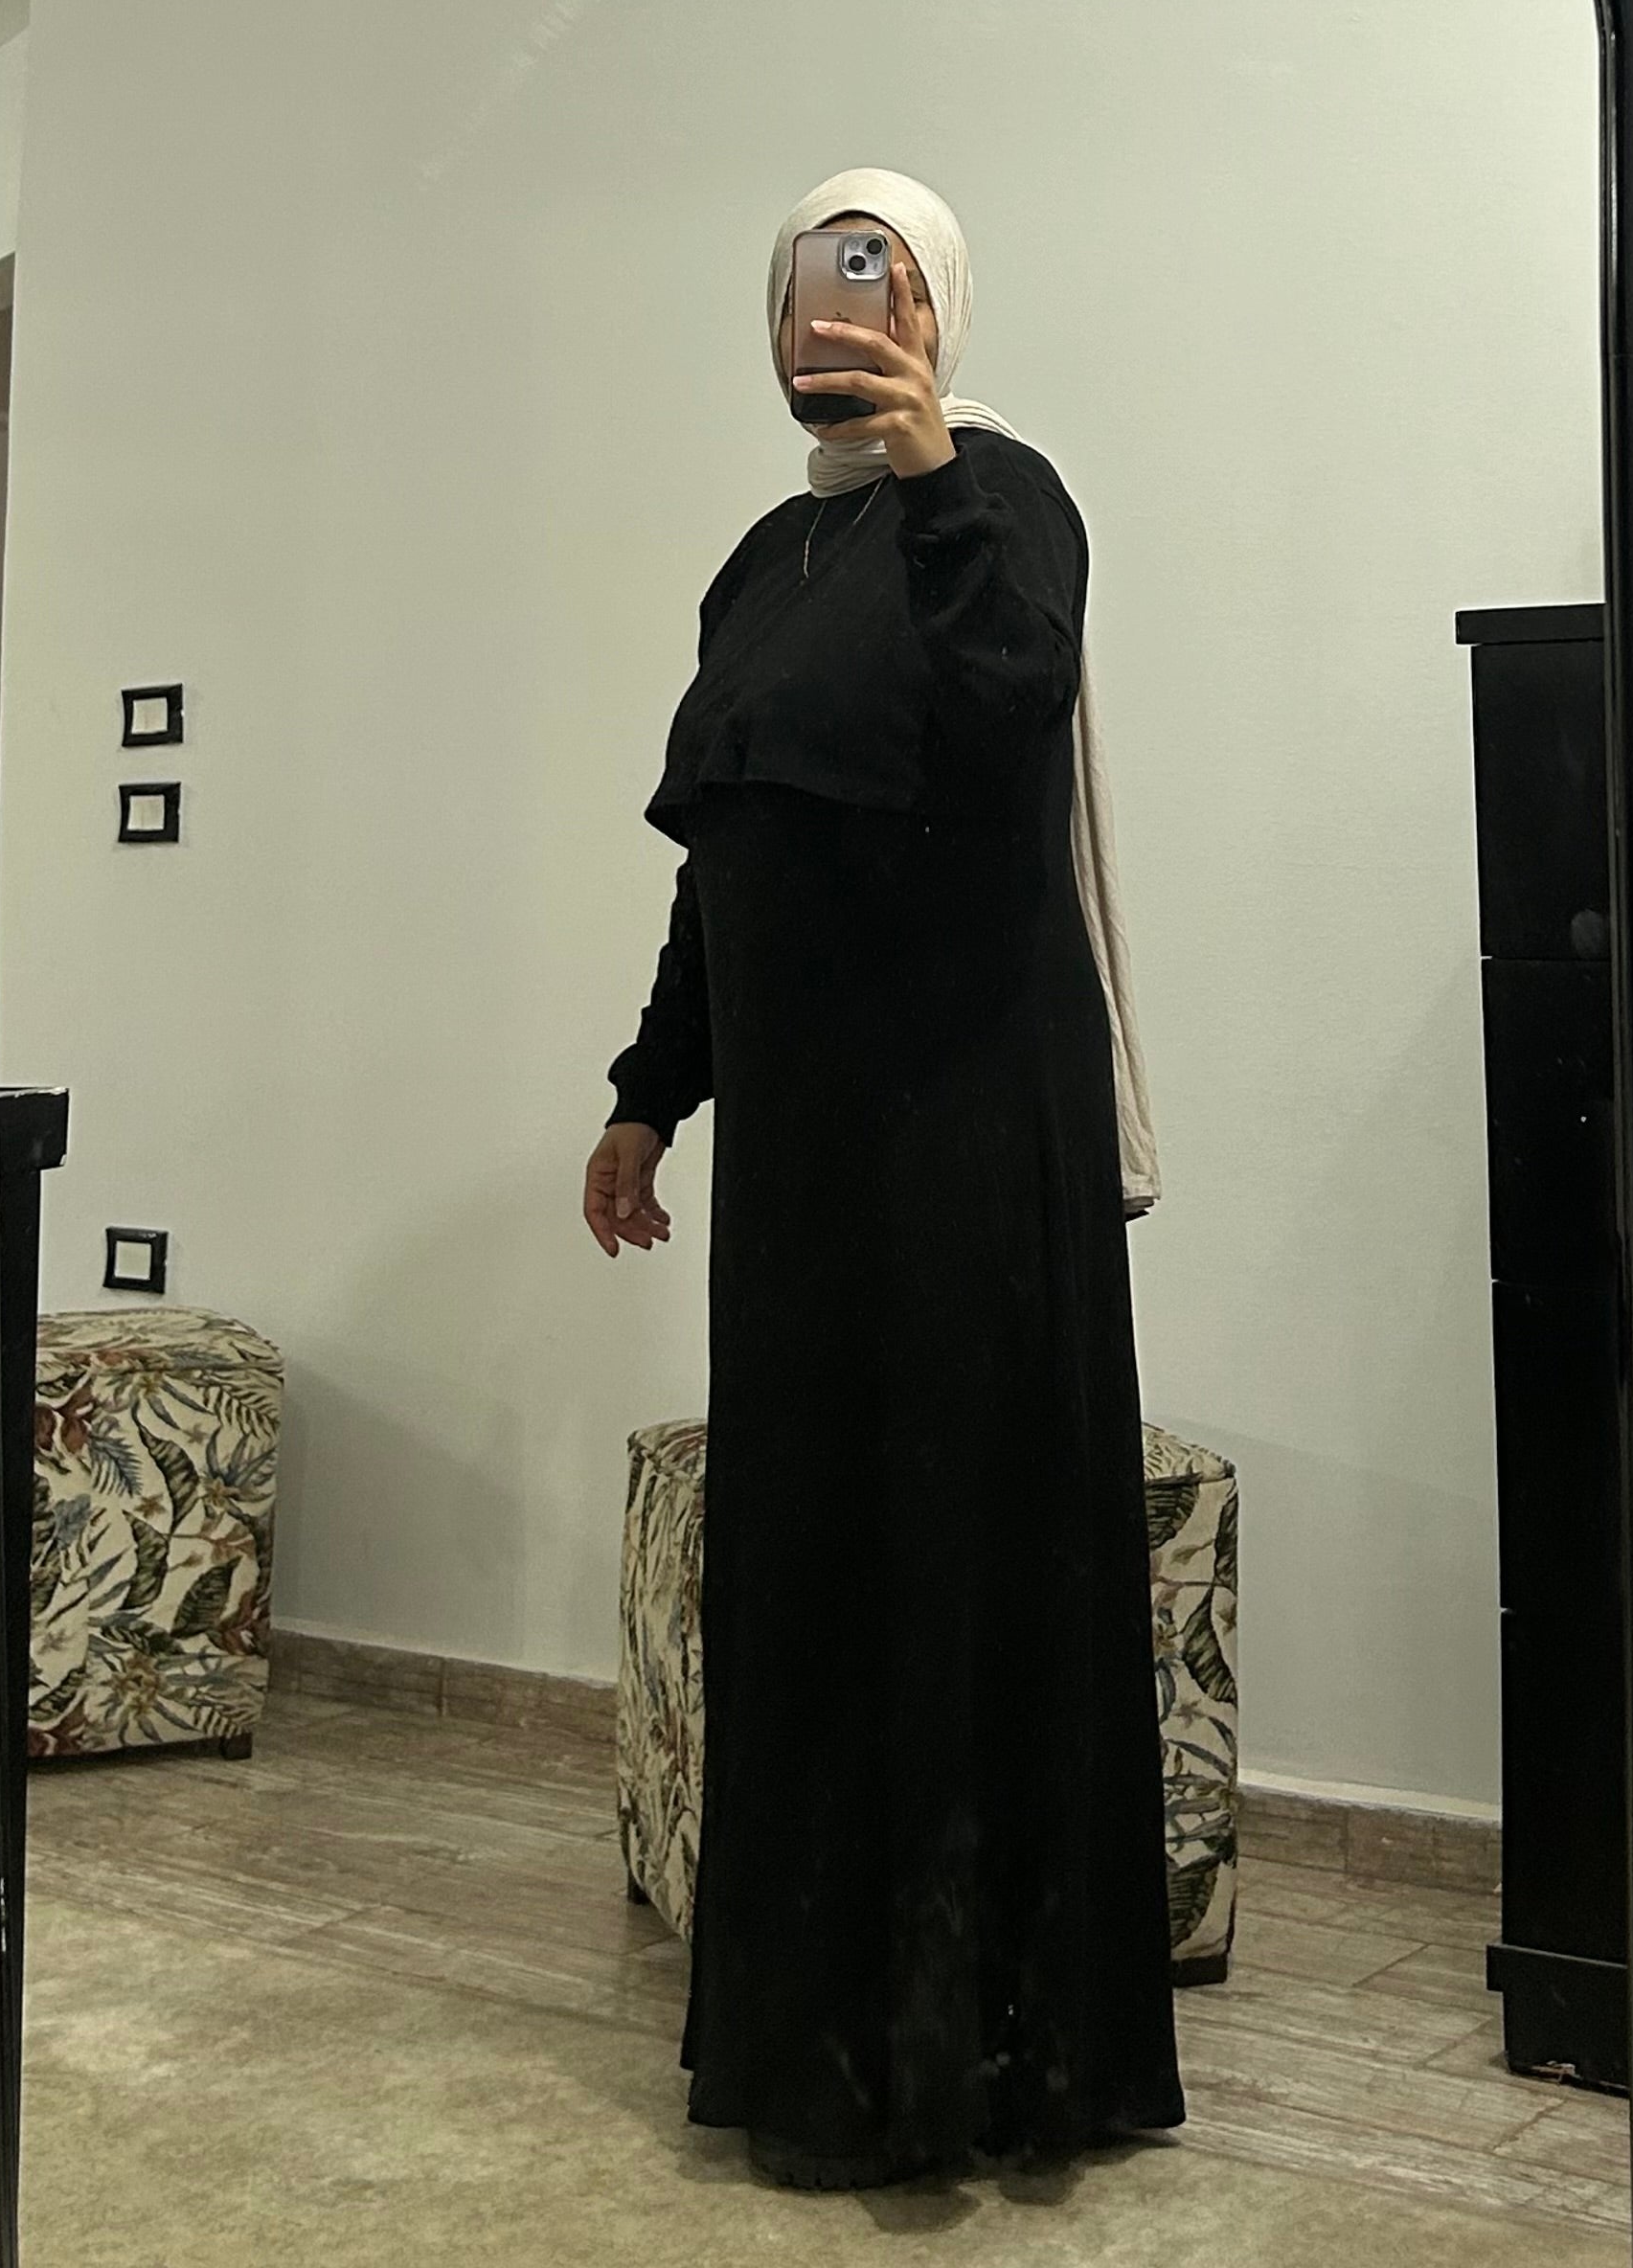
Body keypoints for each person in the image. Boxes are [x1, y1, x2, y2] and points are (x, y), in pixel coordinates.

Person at [583, 165, 1184, 2189]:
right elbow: (724, 851)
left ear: (938, 310)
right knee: (815, 1562)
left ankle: (982, 2069)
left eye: (880, 277)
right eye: (809, 283)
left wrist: (932, 474)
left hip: (964, 1131)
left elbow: (1011, 709)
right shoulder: (759, 562)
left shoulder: (1004, 493)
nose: (837, 314)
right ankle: (818, 2054)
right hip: (805, 1162)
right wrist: (648, 1094)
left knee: (956, 1555)